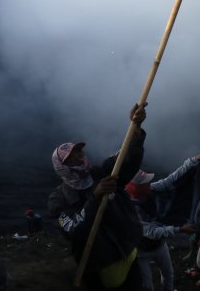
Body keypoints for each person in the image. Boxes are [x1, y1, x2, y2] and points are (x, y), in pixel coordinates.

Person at [47, 103, 147, 290]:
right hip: (100, 264)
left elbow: (128, 160)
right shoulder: (58, 199)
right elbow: (72, 231)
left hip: (128, 249)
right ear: (62, 167)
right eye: (71, 157)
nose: (78, 157)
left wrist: (136, 127)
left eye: (79, 152)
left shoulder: (102, 172)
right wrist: (95, 197)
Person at [125, 155, 200, 291]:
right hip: (141, 252)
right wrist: (179, 229)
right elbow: (152, 232)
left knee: (168, 274)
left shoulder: (151, 189)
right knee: (147, 285)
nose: (149, 183)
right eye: (145, 182)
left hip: (159, 246)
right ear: (137, 189)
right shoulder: (131, 210)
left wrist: (191, 162)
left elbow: (170, 180)